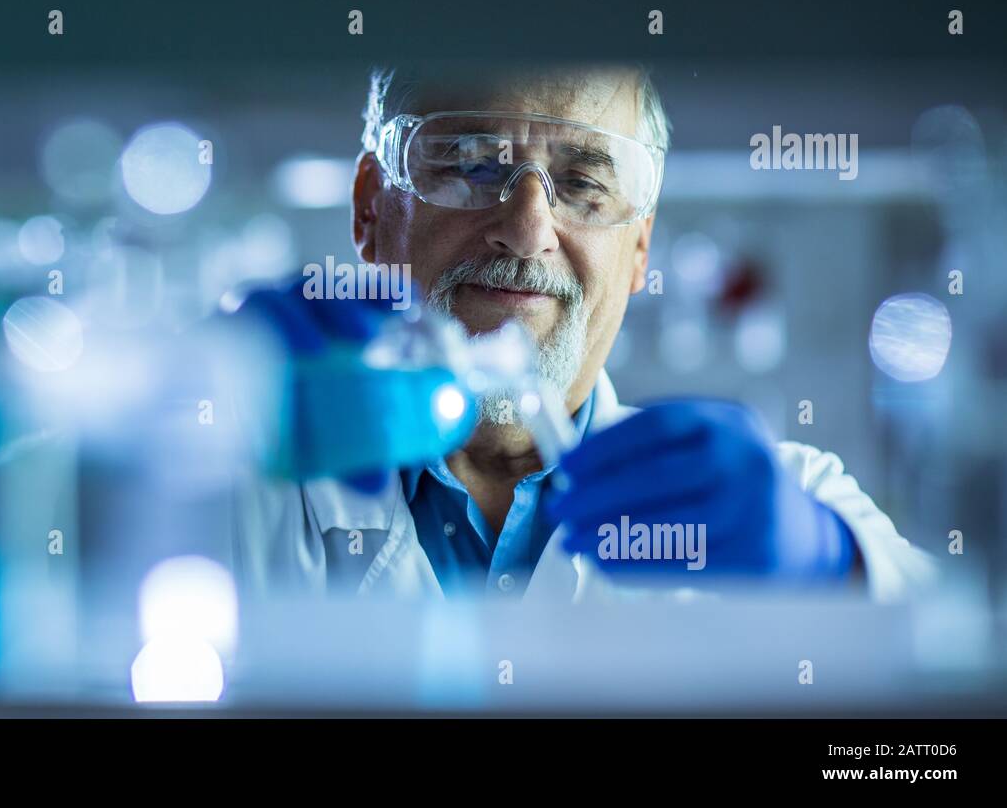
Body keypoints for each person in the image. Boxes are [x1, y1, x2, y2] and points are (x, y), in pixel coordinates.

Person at [228, 64, 934, 603]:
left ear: (638, 253)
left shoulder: (782, 499)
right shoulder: (242, 481)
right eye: (474, 166)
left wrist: (824, 558)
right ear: (370, 211)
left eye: (582, 185)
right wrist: (207, 385)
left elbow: (949, 657)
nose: (528, 231)